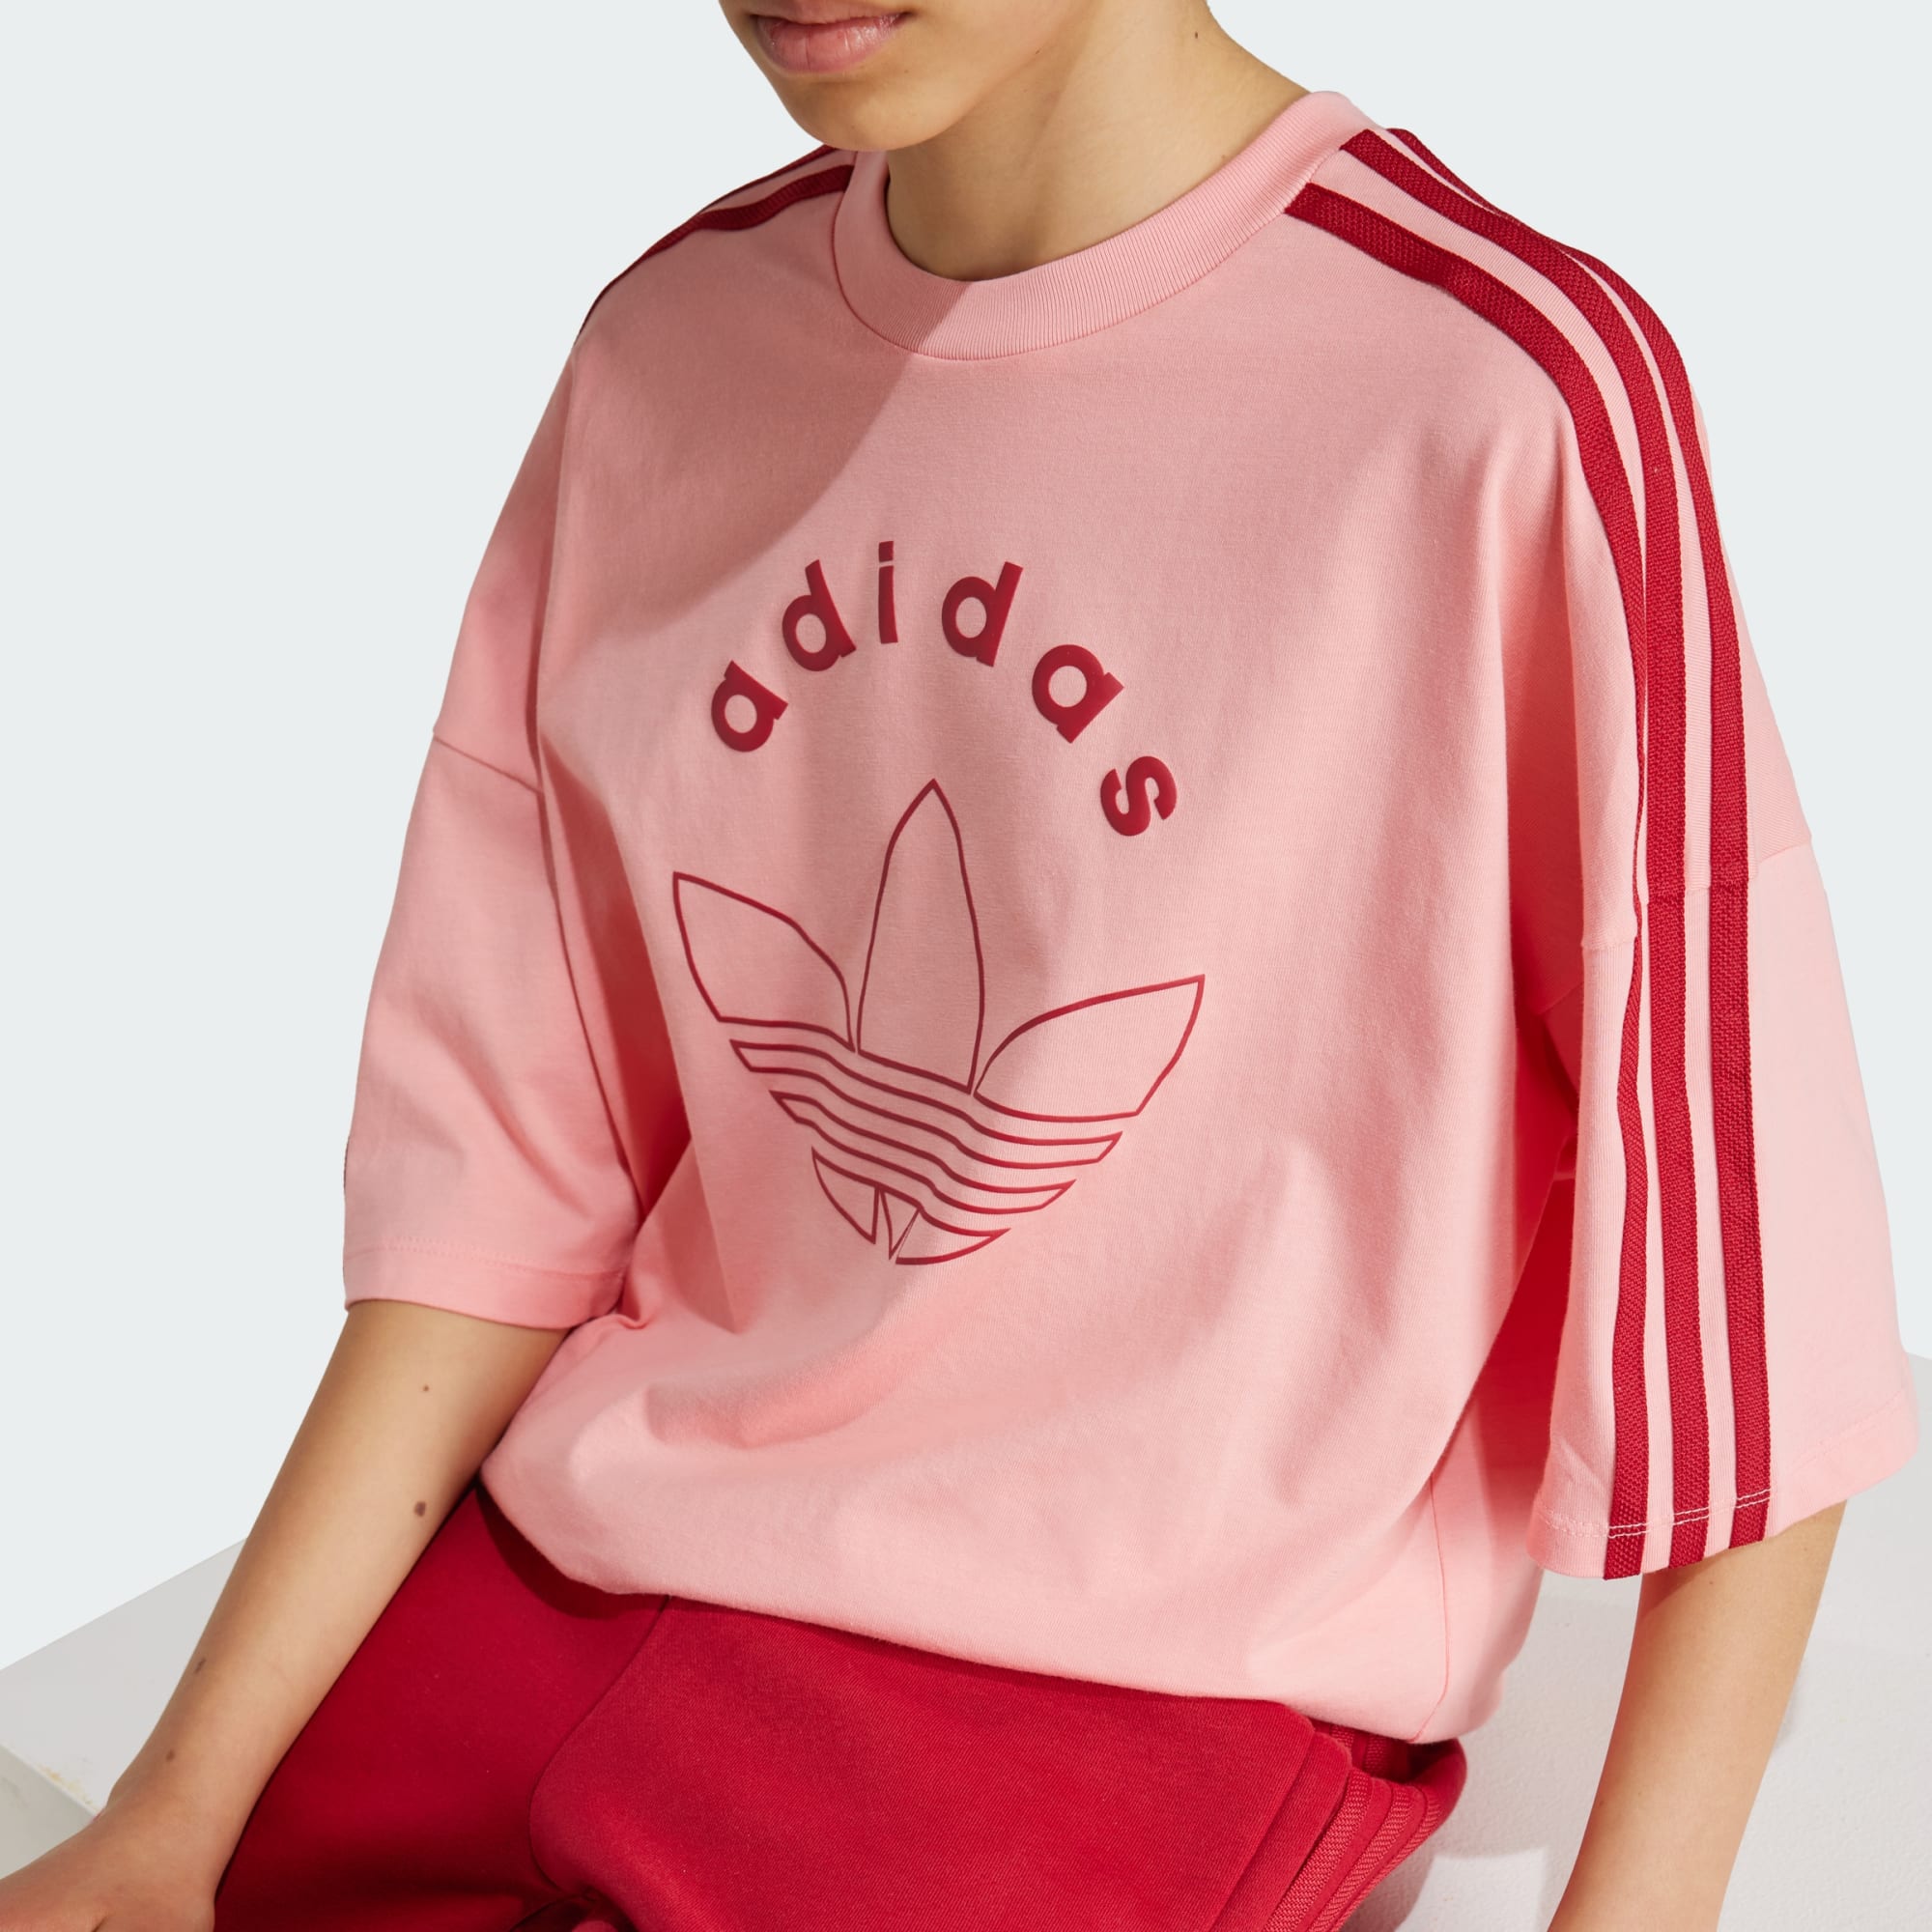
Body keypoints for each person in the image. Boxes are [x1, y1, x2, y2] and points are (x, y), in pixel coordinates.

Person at [3, 1, 1918, 1927]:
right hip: (571, 1589)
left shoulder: (1497, 392)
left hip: (1139, 1693)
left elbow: (1753, 1283)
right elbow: (508, 1169)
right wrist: (176, 1809)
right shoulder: (672, 348)